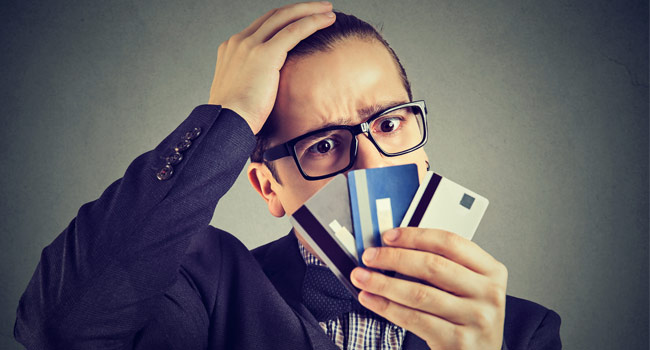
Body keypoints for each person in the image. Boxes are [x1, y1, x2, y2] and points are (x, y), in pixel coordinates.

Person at [14, 2, 561, 349]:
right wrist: (228, 118)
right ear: (268, 187)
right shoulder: (207, 289)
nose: (371, 163)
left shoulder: (520, 333)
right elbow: (62, 327)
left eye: (390, 123)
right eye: (323, 144)